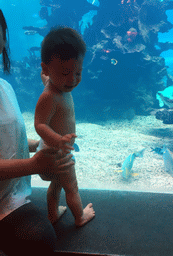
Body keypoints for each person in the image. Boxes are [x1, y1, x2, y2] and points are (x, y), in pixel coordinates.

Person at [0, 10, 74, 256]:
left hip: (12, 194)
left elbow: (9, 136)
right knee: (39, 241)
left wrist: (38, 146)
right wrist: (34, 164)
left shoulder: (5, 87)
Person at [35, 27, 95, 226]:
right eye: (65, 72)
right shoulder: (49, 96)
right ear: (47, 68)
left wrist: (50, 75)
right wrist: (57, 140)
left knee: (57, 185)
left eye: (78, 72)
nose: (72, 79)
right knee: (72, 187)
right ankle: (80, 216)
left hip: (56, 152)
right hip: (56, 154)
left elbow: (46, 79)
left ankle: (53, 213)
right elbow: (39, 124)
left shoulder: (55, 84)